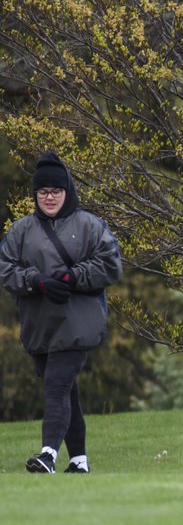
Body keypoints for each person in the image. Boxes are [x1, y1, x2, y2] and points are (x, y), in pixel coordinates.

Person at [0, 151, 123, 474]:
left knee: (56, 384)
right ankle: (79, 461)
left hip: (78, 322)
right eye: (43, 192)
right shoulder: (21, 231)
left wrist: (74, 276)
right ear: (35, 195)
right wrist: (36, 281)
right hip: (40, 325)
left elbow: (110, 265)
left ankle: (48, 454)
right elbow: (5, 269)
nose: (49, 197)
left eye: (55, 191)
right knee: (66, 390)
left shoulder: (90, 225)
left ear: (67, 191)